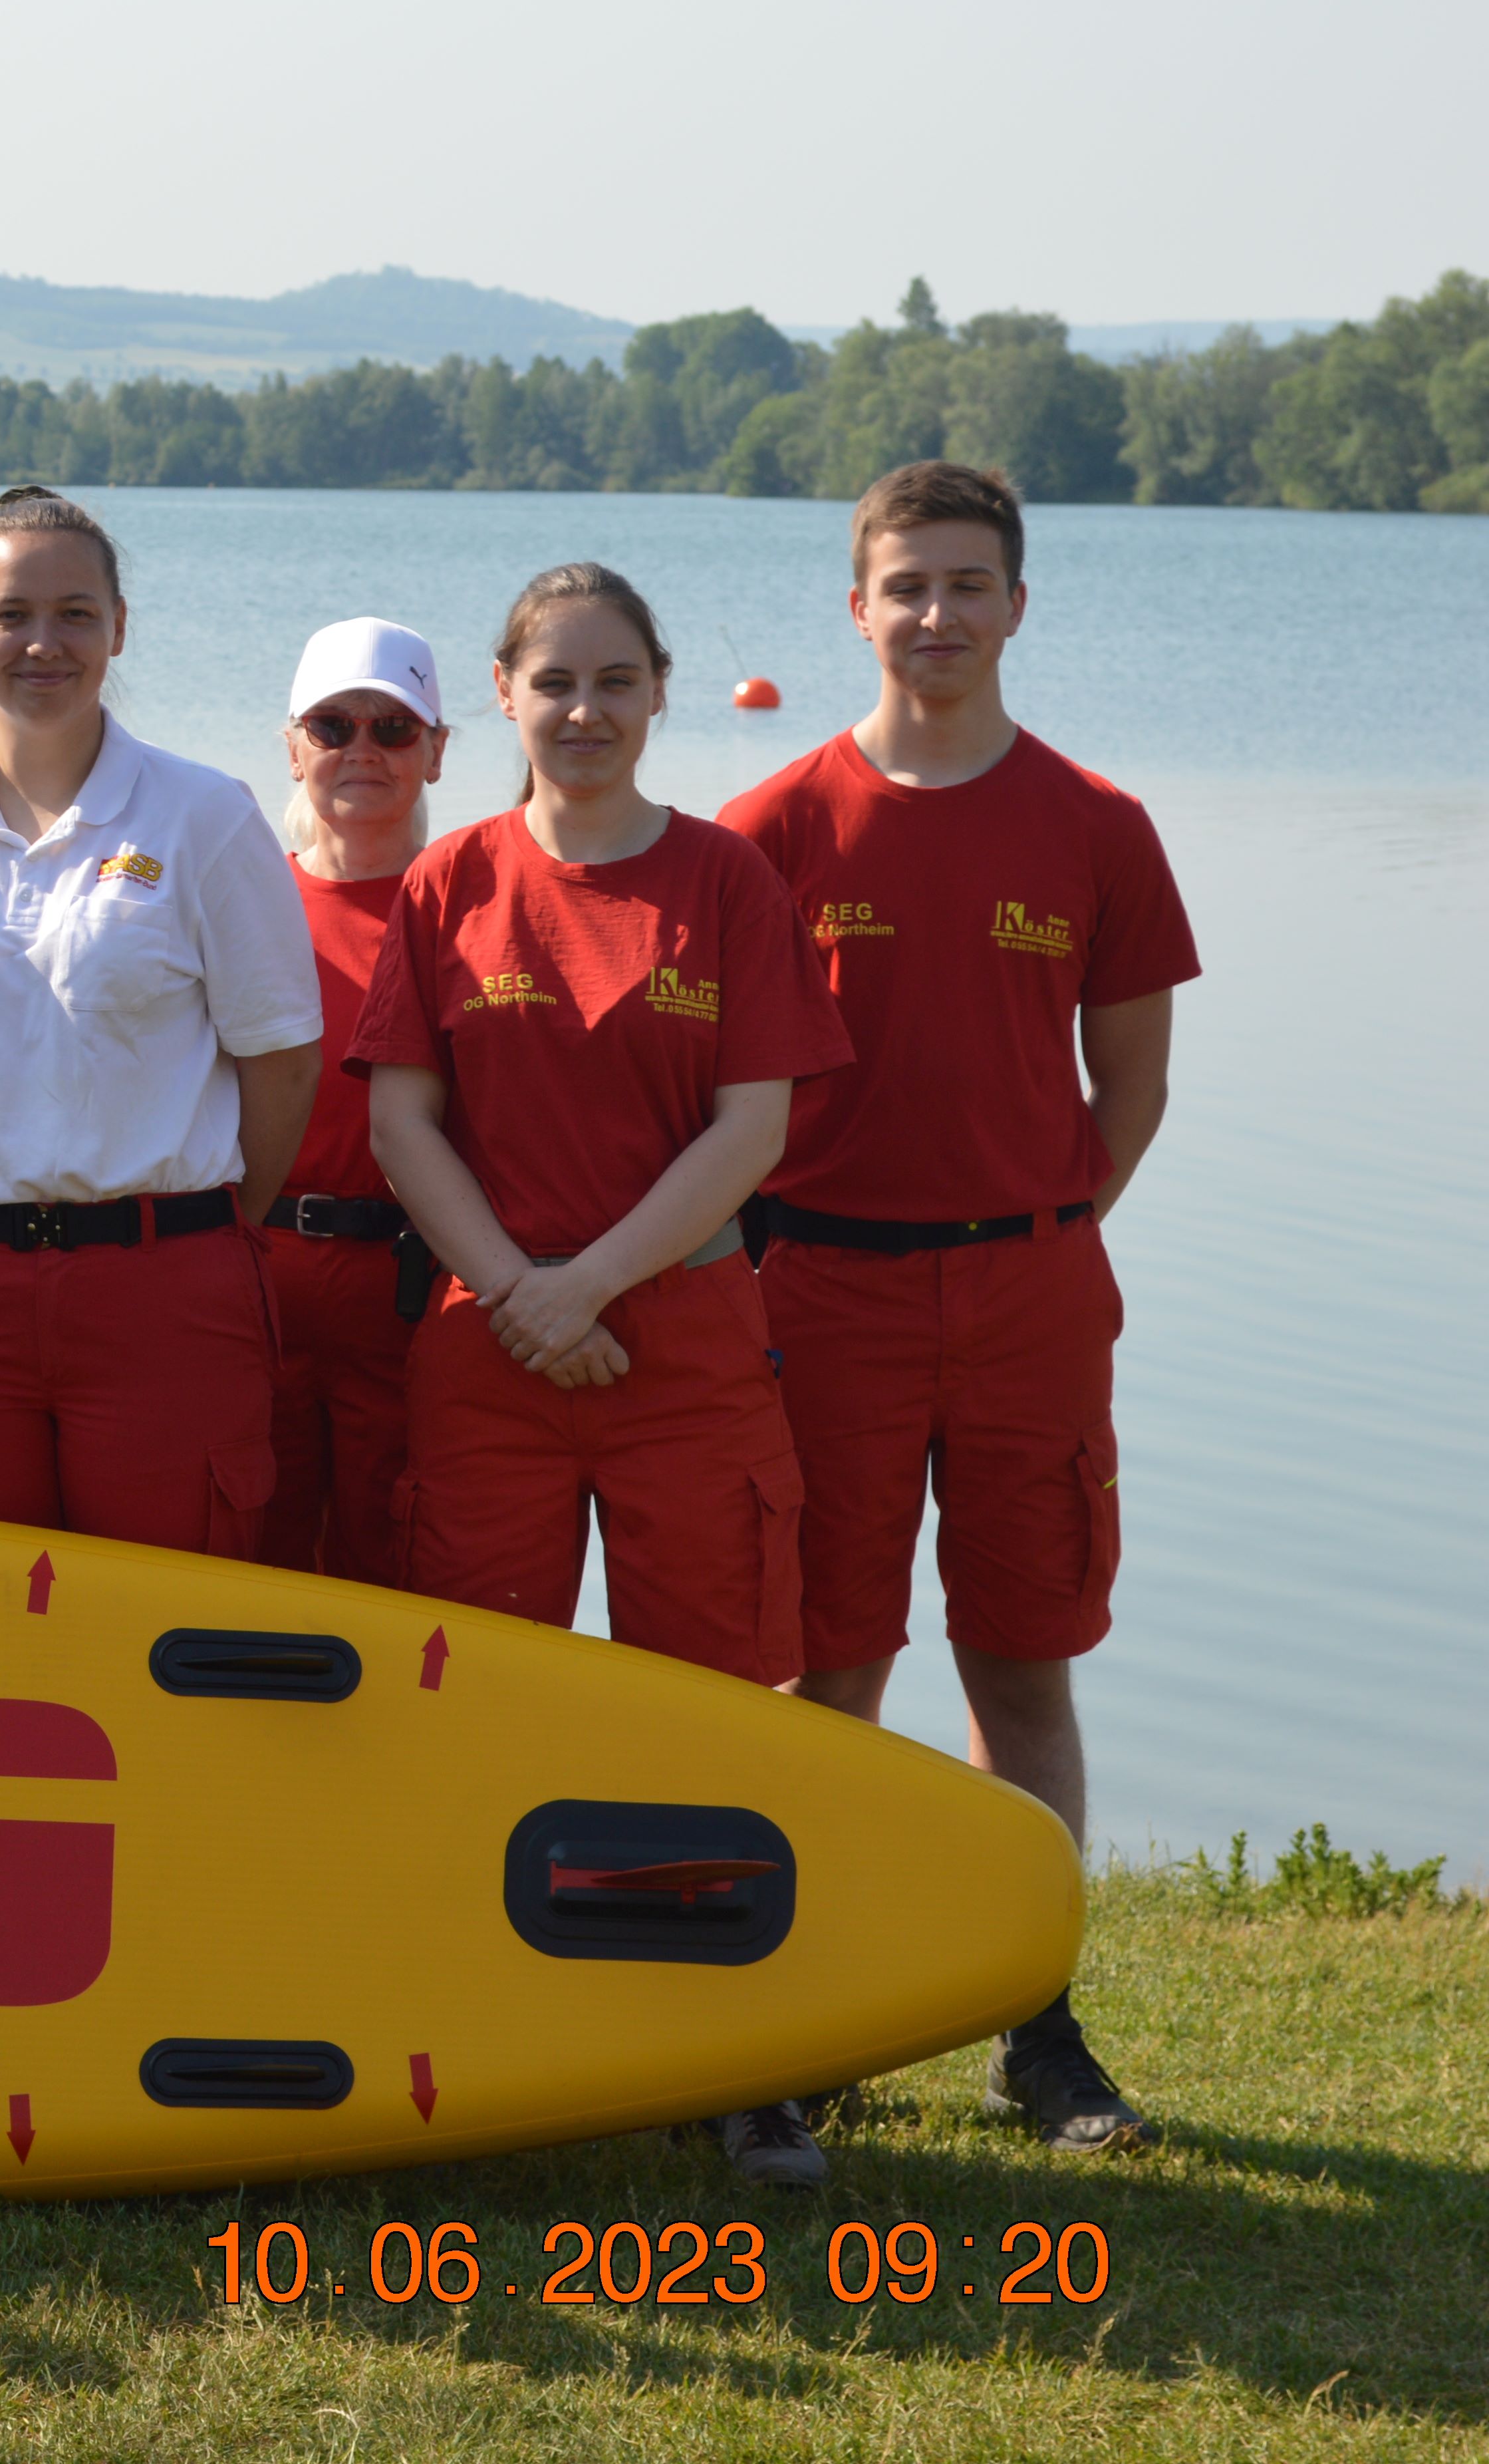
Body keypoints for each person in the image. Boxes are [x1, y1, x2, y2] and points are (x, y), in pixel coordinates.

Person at [352, 560, 851, 2191]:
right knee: (477, 1687)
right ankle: (482, 2024)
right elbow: (398, 1119)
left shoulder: (723, 882)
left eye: (612, 683)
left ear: (657, 695)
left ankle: (731, 2059)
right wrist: (516, 1290)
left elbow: (752, 1126)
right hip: (487, 1349)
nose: (581, 713)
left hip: (681, 1341)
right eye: (550, 683)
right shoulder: (448, 881)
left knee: (706, 1699)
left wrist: (587, 1283)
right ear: (498, 694)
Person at [723, 462, 1196, 2157]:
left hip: (1030, 1288)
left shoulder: (1095, 825)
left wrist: (1034, 1236)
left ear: (1016, 605)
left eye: (966, 584)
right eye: (904, 584)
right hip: (820, 1283)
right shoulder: (769, 831)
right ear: (854, 608)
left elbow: (1127, 1084)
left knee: (1025, 1658)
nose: (935, 614)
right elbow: (722, 1094)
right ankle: (809, 2016)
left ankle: (1034, 2021)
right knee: (826, 1664)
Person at [0, 489, 322, 1546]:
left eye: (77, 614)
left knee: (172, 1614)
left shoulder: (205, 815)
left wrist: (192, 1228)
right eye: (11, 615)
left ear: (120, 627)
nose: (44, 642)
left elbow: (281, 1067)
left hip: (163, 1289)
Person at [258, 617, 451, 1577]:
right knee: (250, 1567)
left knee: (398, 1571)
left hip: (410, 1292)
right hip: (260, 1281)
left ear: (437, 752)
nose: (363, 751)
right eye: (334, 727)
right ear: (293, 749)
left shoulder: (473, 916)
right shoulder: (243, 902)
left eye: (394, 728)